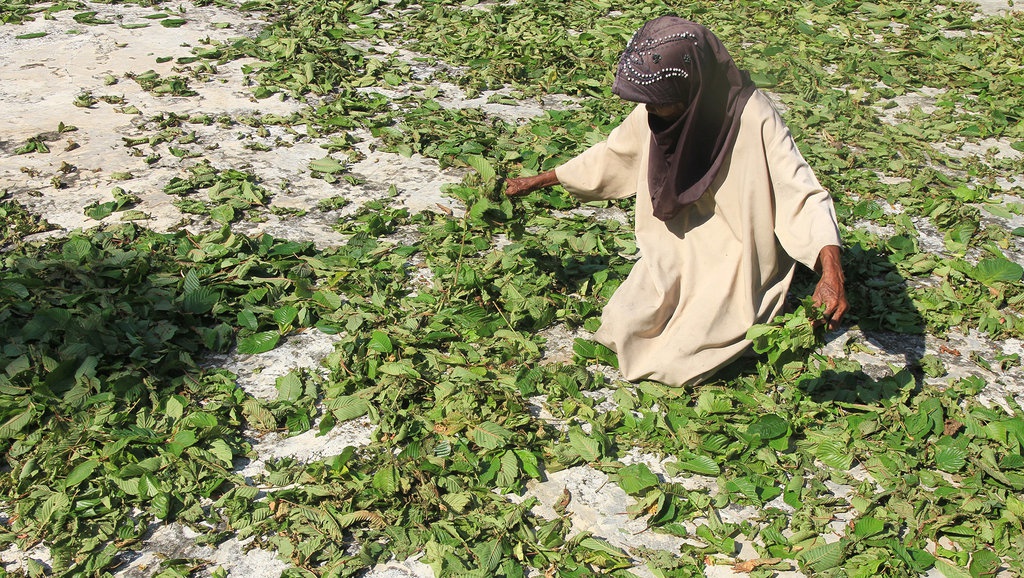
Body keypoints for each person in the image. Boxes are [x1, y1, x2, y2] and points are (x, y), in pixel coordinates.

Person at [504, 16, 848, 387]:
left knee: (678, 361)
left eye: (657, 105)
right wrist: (541, 180)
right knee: (619, 327)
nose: (649, 112)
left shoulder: (754, 117)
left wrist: (831, 272)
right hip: (677, 243)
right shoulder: (662, 104)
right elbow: (615, 153)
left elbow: (802, 192)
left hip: (736, 254)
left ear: (692, 91)